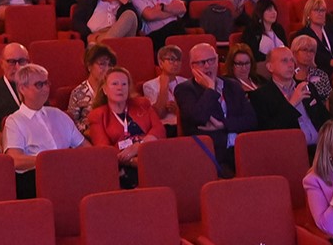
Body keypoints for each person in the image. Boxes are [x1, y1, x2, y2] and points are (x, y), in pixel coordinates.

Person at [0, 63, 87, 187]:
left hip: (68, 175)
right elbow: (15, 160)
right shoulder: (15, 121)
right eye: (39, 85)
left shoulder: (58, 114)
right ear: (22, 88)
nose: (45, 89)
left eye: (46, 83)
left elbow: (85, 148)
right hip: (35, 179)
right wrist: (50, 161)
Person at [174, 42, 253, 172]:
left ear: (217, 61)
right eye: (201, 62)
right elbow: (198, 117)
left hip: (241, 149)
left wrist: (224, 125)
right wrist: (210, 88)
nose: (207, 66)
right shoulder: (185, 90)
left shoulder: (232, 85)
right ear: (191, 66)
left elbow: (251, 120)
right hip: (212, 154)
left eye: (211, 60)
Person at [83, 66, 162, 165]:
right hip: (122, 165)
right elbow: (105, 151)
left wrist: (139, 146)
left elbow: (159, 129)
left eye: (124, 84)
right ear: (105, 90)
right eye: (115, 84)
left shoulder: (142, 104)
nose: (120, 88)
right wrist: (134, 161)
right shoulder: (97, 115)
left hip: (150, 154)